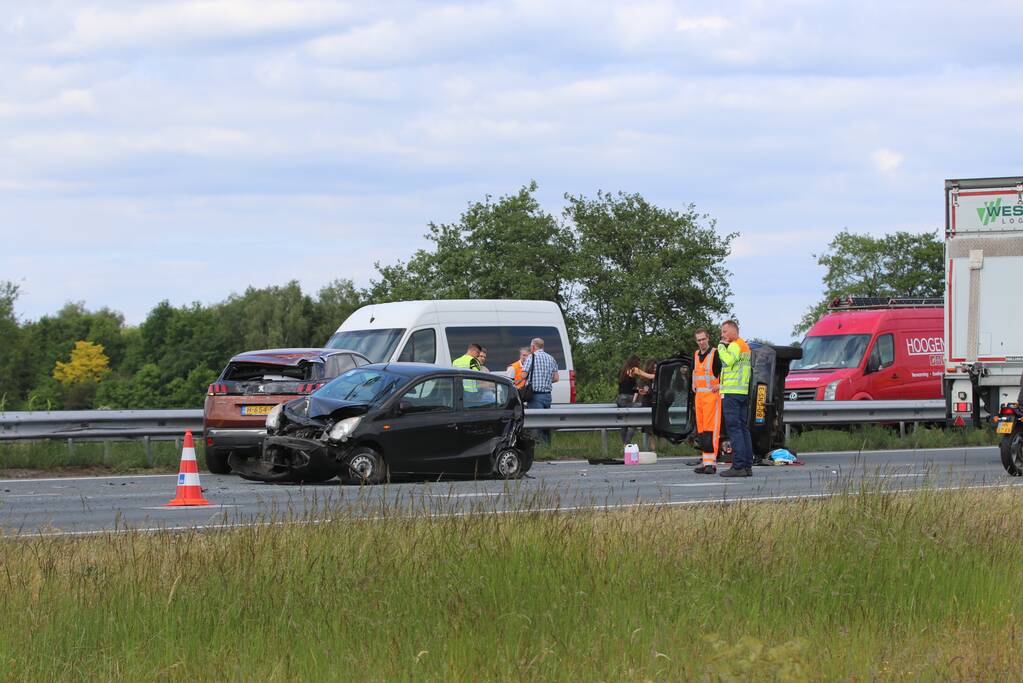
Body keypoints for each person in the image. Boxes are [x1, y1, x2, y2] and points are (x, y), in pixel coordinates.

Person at [717, 320, 753, 478]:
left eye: (725, 331)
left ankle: (738, 466)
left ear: (733, 331)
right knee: (743, 429)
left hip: (731, 392)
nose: (722, 335)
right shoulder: (745, 346)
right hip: (742, 392)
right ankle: (746, 466)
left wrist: (720, 347)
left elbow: (728, 361)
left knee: (735, 430)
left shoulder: (733, 345)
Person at [691, 328, 723, 474]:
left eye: (703, 339)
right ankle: (706, 462)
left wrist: (721, 384)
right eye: (699, 340)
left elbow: (727, 371)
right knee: (702, 432)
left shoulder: (715, 353)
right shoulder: (696, 354)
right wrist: (693, 383)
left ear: (708, 338)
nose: (701, 342)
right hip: (700, 398)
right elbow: (694, 371)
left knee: (711, 431)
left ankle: (712, 463)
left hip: (712, 397)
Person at [520, 337, 559, 445]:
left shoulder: (531, 357)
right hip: (547, 396)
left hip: (535, 396)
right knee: (546, 423)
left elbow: (524, 375)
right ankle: (547, 447)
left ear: (533, 347)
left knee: (536, 424)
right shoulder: (551, 358)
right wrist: (545, 380)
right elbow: (556, 378)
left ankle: (537, 448)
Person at [617, 355, 642, 445]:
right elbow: (634, 389)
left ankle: (624, 445)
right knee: (633, 422)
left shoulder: (622, 371)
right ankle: (627, 444)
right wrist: (634, 399)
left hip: (620, 398)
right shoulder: (633, 372)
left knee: (624, 422)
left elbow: (621, 386)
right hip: (629, 398)